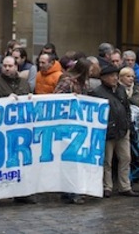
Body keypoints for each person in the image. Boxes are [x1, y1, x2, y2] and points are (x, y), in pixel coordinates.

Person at [91, 65, 139, 198]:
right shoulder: (98, 92)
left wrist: (127, 123)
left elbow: (126, 107)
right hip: (107, 131)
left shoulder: (120, 89)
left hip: (122, 129)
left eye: (115, 75)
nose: (114, 78)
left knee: (126, 158)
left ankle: (125, 186)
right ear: (103, 78)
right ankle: (107, 186)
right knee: (107, 160)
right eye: (111, 76)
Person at [54, 58, 91, 205]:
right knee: (70, 160)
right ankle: (71, 191)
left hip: (79, 125)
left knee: (76, 160)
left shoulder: (83, 83)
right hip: (67, 125)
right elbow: (56, 97)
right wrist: (70, 99)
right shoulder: (68, 81)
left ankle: (71, 190)